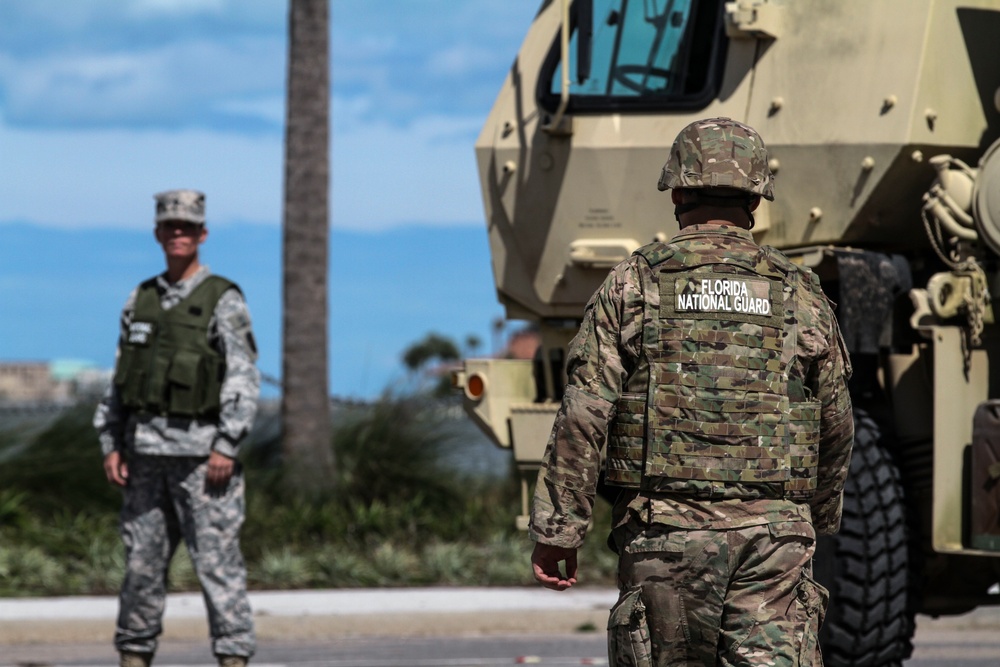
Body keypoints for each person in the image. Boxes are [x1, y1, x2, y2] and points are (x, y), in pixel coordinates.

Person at [529, 118, 854, 666]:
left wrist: (561, 529)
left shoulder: (635, 284)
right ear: (756, 196)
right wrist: (812, 516)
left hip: (664, 535)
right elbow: (836, 420)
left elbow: (586, 413)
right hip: (774, 542)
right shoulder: (800, 292)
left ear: (677, 191)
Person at [94, 189, 260, 667]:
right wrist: (111, 441)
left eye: (187, 227)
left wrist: (226, 445)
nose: (178, 234)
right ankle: (134, 656)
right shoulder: (139, 299)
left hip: (204, 462)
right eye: (170, 227)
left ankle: (232, 658)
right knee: (141, 568)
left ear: (202, 234)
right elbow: (121, 377)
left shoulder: (222, 299)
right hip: (144, 458)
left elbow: (243, 378)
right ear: (157, 234)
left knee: (217, 568)